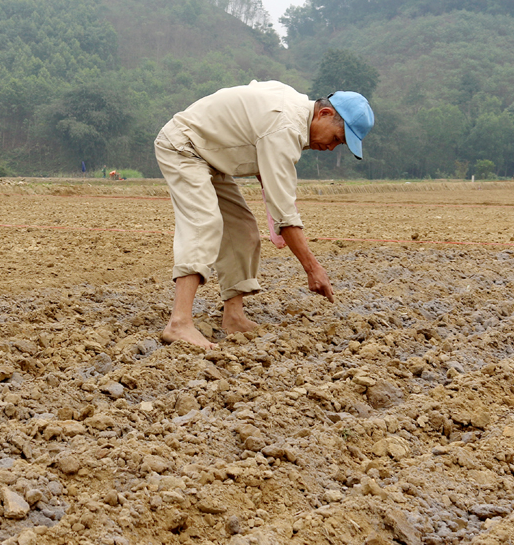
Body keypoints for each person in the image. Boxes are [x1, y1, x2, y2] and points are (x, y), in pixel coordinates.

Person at [154, 81, 374, 348]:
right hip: (185, 145)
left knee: (243, 230)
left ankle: (233, 317)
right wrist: (313, 268)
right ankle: (179, 323)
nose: (331, 148)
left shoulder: (291, 102)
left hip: (210, 154)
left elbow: (251, 106)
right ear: (324, 114)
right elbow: (285, 214)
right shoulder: (286, 128)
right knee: (204, 223)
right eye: (337, 139)